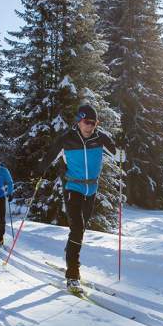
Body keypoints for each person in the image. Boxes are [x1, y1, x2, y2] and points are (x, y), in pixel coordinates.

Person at [41, 104, 116, 293]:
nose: (90, 126)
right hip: (72, 187)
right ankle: (73, 274)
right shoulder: (67, 139)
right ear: (79, 120)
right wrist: (39, 172)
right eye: (87, 122)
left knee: (80, 229)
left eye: (93, 122)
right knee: (77, 229)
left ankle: (70, 254)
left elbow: (117, 153)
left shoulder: (100, 138)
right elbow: (49, 157)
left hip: (91, 188)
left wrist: (122, 153)